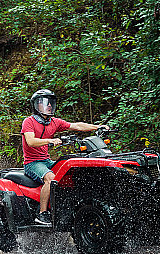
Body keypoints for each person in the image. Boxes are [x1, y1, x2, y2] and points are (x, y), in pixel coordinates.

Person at [21, 89, 107, 225]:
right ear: (36, 105)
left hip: (47, 161)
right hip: (32, 163)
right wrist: (50, 140)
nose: (49, 106)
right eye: (45, 103)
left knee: (69, 172)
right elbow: (31, 141)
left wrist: (97, 127)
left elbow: (77, 126)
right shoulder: (29, 122)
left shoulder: (54, 122)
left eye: (51, 103)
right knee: (50, 178)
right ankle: (42, 214)